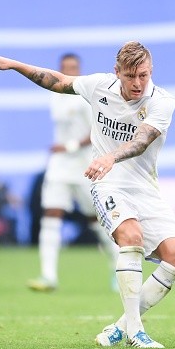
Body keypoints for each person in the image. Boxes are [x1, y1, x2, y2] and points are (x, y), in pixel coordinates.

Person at [0, 41, 175, 349]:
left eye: (143, 75)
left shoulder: (162, 101)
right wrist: (14, 64)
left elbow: (143, 140)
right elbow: (57, 81)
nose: (137, 83)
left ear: (151, 71)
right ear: (116, 72)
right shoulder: (98, 86)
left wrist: (110, 156)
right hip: (108, 184)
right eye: (130, 76)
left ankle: (119, 328)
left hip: (145, 188)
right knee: (129, 237)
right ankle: (136, 331)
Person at [18, 53, 120, 292]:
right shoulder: (55, 95)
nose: (70, 70)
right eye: (66, 67)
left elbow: (97, 130)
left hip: (85, 166)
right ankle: (48, 276)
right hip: (59, 166)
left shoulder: (86, 96)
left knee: (97, 221)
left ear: (80, 69)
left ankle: (119, 271)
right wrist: (62, 150)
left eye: (74, 67)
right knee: (51, 216)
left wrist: (70, 146)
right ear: (60, 69)